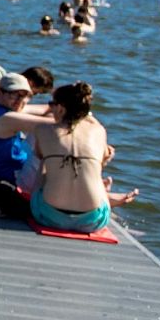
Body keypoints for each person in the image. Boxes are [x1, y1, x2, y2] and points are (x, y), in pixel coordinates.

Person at [29, 82, 137, 233]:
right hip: (92, 221)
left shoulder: (42, 129)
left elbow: (39, 156)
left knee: (45, 163)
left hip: (48, 216)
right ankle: (103, 195)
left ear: (60, 108)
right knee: (95, 165)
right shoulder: (99, 131)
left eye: (51, 104)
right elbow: (104, 157)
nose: (50, 108)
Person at [0, 73, 51, 187]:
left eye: (24, 96)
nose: (20, 100)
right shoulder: (7, 118)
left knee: (50, 117)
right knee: (48, 133)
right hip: (13, 178)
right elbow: (56, 126)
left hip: (4, 169)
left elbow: (45, 109)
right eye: (14, 95)